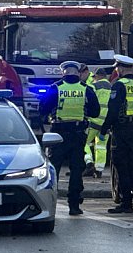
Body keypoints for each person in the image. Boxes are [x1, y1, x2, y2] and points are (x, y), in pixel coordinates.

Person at [39, 60, 100, 216]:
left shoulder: (55, 88)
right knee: (76, 170)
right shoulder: (86, 89)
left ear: (63, 72)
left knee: (54, 170)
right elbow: (95, 112)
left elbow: (42, 108)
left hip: (57, 134)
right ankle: (74, 205)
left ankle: (50, 203)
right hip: (78, 134)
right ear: (78, 72)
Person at [102, 54, 133, 214]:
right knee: (131, 166)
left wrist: (104, 129)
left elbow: (113, 110)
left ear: (121, 68)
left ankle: (126, 203)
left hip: (120, 131)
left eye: (117, 68)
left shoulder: (119, 85)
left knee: (121, 166)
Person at [83, 68, 111, 178]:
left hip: (93, 121)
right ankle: (99, 170)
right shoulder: (113, 87)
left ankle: (89, 162)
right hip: (105, 123)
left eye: (94, 77)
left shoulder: (94, 86)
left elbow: (88, 101)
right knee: (101, 146)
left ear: (98, 76)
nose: (94, 79)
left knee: (83, 143)